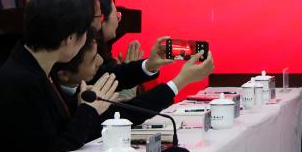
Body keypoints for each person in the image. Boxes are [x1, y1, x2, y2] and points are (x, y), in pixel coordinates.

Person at [0, 0, 120, 152]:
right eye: (84, 32)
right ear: (69, 38)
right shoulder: (21, 81)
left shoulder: (38, 66)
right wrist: (88, 111)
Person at [51, 30, 214, 129]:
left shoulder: (81, 77)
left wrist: (149, 65)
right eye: (93, 59)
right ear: (64, 74)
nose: (100, 61)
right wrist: (180, 82)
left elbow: (115, 74)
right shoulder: (52, 98)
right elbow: (125, 114)